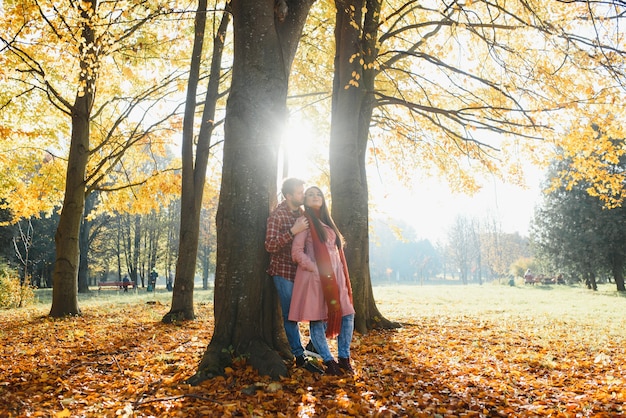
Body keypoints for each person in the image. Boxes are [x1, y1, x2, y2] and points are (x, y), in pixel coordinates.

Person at [289, 186, 356, 376]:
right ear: (305, 201)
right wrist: (315, 268)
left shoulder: (328, 223)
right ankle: (328, 361)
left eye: (318, 194)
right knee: (317, 319)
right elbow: (296, 253)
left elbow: (337, 253)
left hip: (336, 280)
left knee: (348, 315)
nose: (315, 196)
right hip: (314, 280)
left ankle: (344, 358)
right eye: (310, 194)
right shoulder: (306, 223)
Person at [265, 178, 322, 374]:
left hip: (304, 272)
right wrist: (292, 231)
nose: (303, 195)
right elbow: (270, 245)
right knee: (291, 316)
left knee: (320, 308)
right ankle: (299, 356)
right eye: (299, 192)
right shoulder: (277, 216)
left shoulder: (304, 213)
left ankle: (313, 347)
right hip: (284, 273)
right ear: (289, 196)